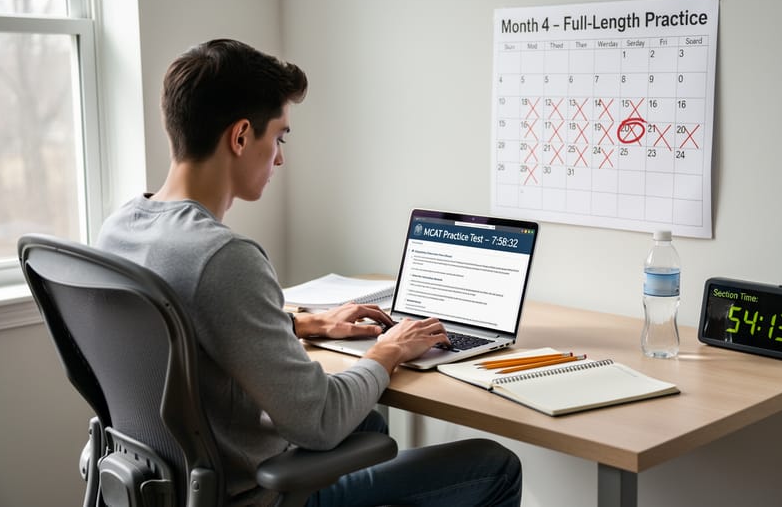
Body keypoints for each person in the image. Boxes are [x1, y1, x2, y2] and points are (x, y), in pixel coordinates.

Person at [96, 38, 522, 507]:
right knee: (495, 465)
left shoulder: (120, 228)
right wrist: (388, 351)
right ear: (241, 137)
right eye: (279, 137)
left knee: (368, 424)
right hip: (250, 495)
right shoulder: (223, 257)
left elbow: (186, 324)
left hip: (162, 482)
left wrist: (302, 324)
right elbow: (319, 420)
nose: (280, 157)